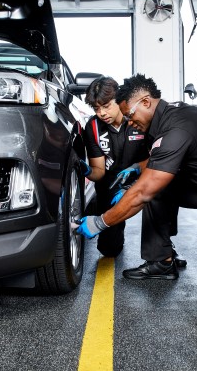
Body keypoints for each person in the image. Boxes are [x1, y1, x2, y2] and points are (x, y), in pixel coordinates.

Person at [76, 74, 197, 282]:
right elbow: (159, 159)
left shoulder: (174, 129)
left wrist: (100, 222)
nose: (130, 122)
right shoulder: (172, 114)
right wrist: (135, 168)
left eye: (130, 116)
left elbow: (144, 189)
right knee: (156, 191)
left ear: (145, 102)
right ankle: (162, 260)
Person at [80, 76, 149, 257]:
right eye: (97, 108)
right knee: (109, 250)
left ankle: (164, 250)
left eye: (106, 106)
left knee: (161, 194)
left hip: (145, 177)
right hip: (110, 185)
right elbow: (99, 172)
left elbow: (159, 158)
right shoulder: (93, 126)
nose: (102, 113)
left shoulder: (138, 118)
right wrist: (86, 171)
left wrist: (133, 185)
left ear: (119, 100)